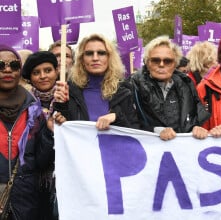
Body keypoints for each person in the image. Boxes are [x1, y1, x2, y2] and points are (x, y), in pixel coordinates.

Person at [0, 45, 56, 220]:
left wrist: (48, 132)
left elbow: (40, 161)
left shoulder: (34, 109)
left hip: (26, 205)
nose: (8, 69)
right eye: (0, 65)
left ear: (20, 71)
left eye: (14, 65)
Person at [128, 35, 210, 141]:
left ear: (175, 64)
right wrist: (157, 131)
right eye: (155, 60)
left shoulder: (187, 86)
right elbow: (128, 123)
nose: (161, 64)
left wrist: (196, 128)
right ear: (147, 63)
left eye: (167, 61)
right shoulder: (132, 87)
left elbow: (192, 119)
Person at [60, 34, 140, 130]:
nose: (95, 58)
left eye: (101, 53)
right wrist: (60, 107)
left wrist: (116, 117)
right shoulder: (69, 91)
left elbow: (135, 132)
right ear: (82, 59)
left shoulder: (124, 91)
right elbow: (61, 131)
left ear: (109, 57)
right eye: (89, 53)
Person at [22, 51, 67, 220]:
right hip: (38, 183)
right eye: (36, 72)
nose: (43, 76)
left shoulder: (71, 99)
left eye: (47, 70)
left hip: (69, 177)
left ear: (57, 71)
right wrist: (49, 131)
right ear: (30, 78)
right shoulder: (24, 105)